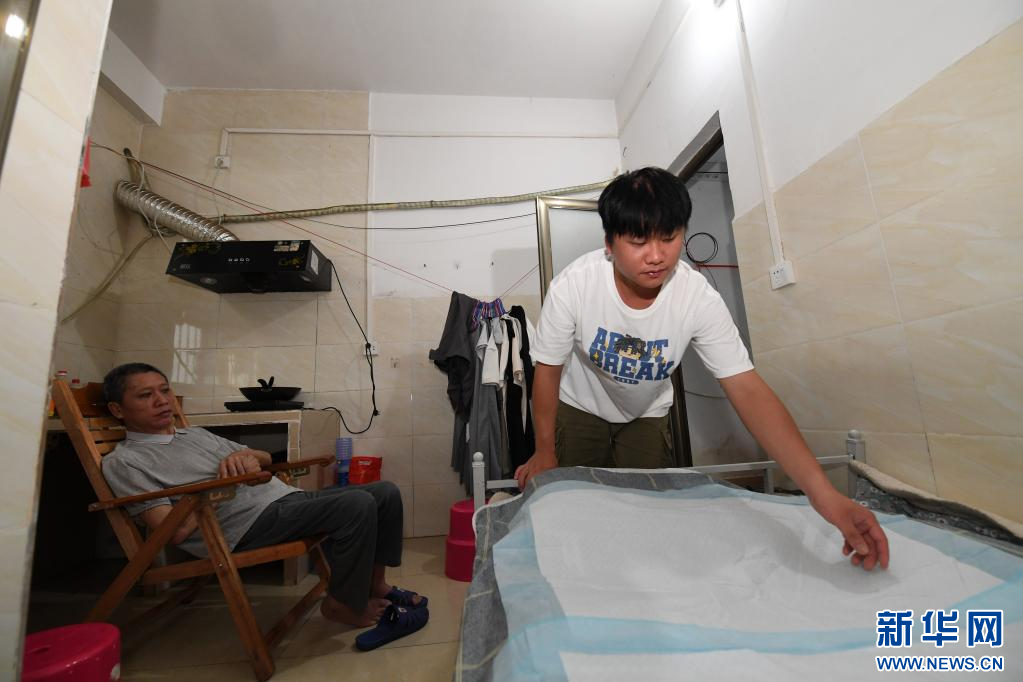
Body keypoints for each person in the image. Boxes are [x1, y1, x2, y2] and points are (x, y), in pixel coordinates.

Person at [514, 167, 890, 572]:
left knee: (646, 511)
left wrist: (823, 495)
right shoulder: (574, 286)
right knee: (578, 506)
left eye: (669, 238)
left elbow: (748, 390)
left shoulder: (697, 298)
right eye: (638, 242)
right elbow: (548, 371)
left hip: (647, 412)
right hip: (580, 407)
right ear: (609, 243)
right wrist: (545, 449)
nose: (656, 256)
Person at [100, 362, 428, 631]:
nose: (162, 401)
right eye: (146, 395)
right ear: (117, 409)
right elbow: (171, 532)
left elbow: (265, 458)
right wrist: (220, 486)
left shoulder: (193, 434)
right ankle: (342, 604)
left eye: (165, 390)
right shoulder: (125, 462)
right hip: (242, 526)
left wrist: (245, 458)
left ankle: (375, 584)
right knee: (356, 503)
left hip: (283, 500)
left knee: (385, 492)